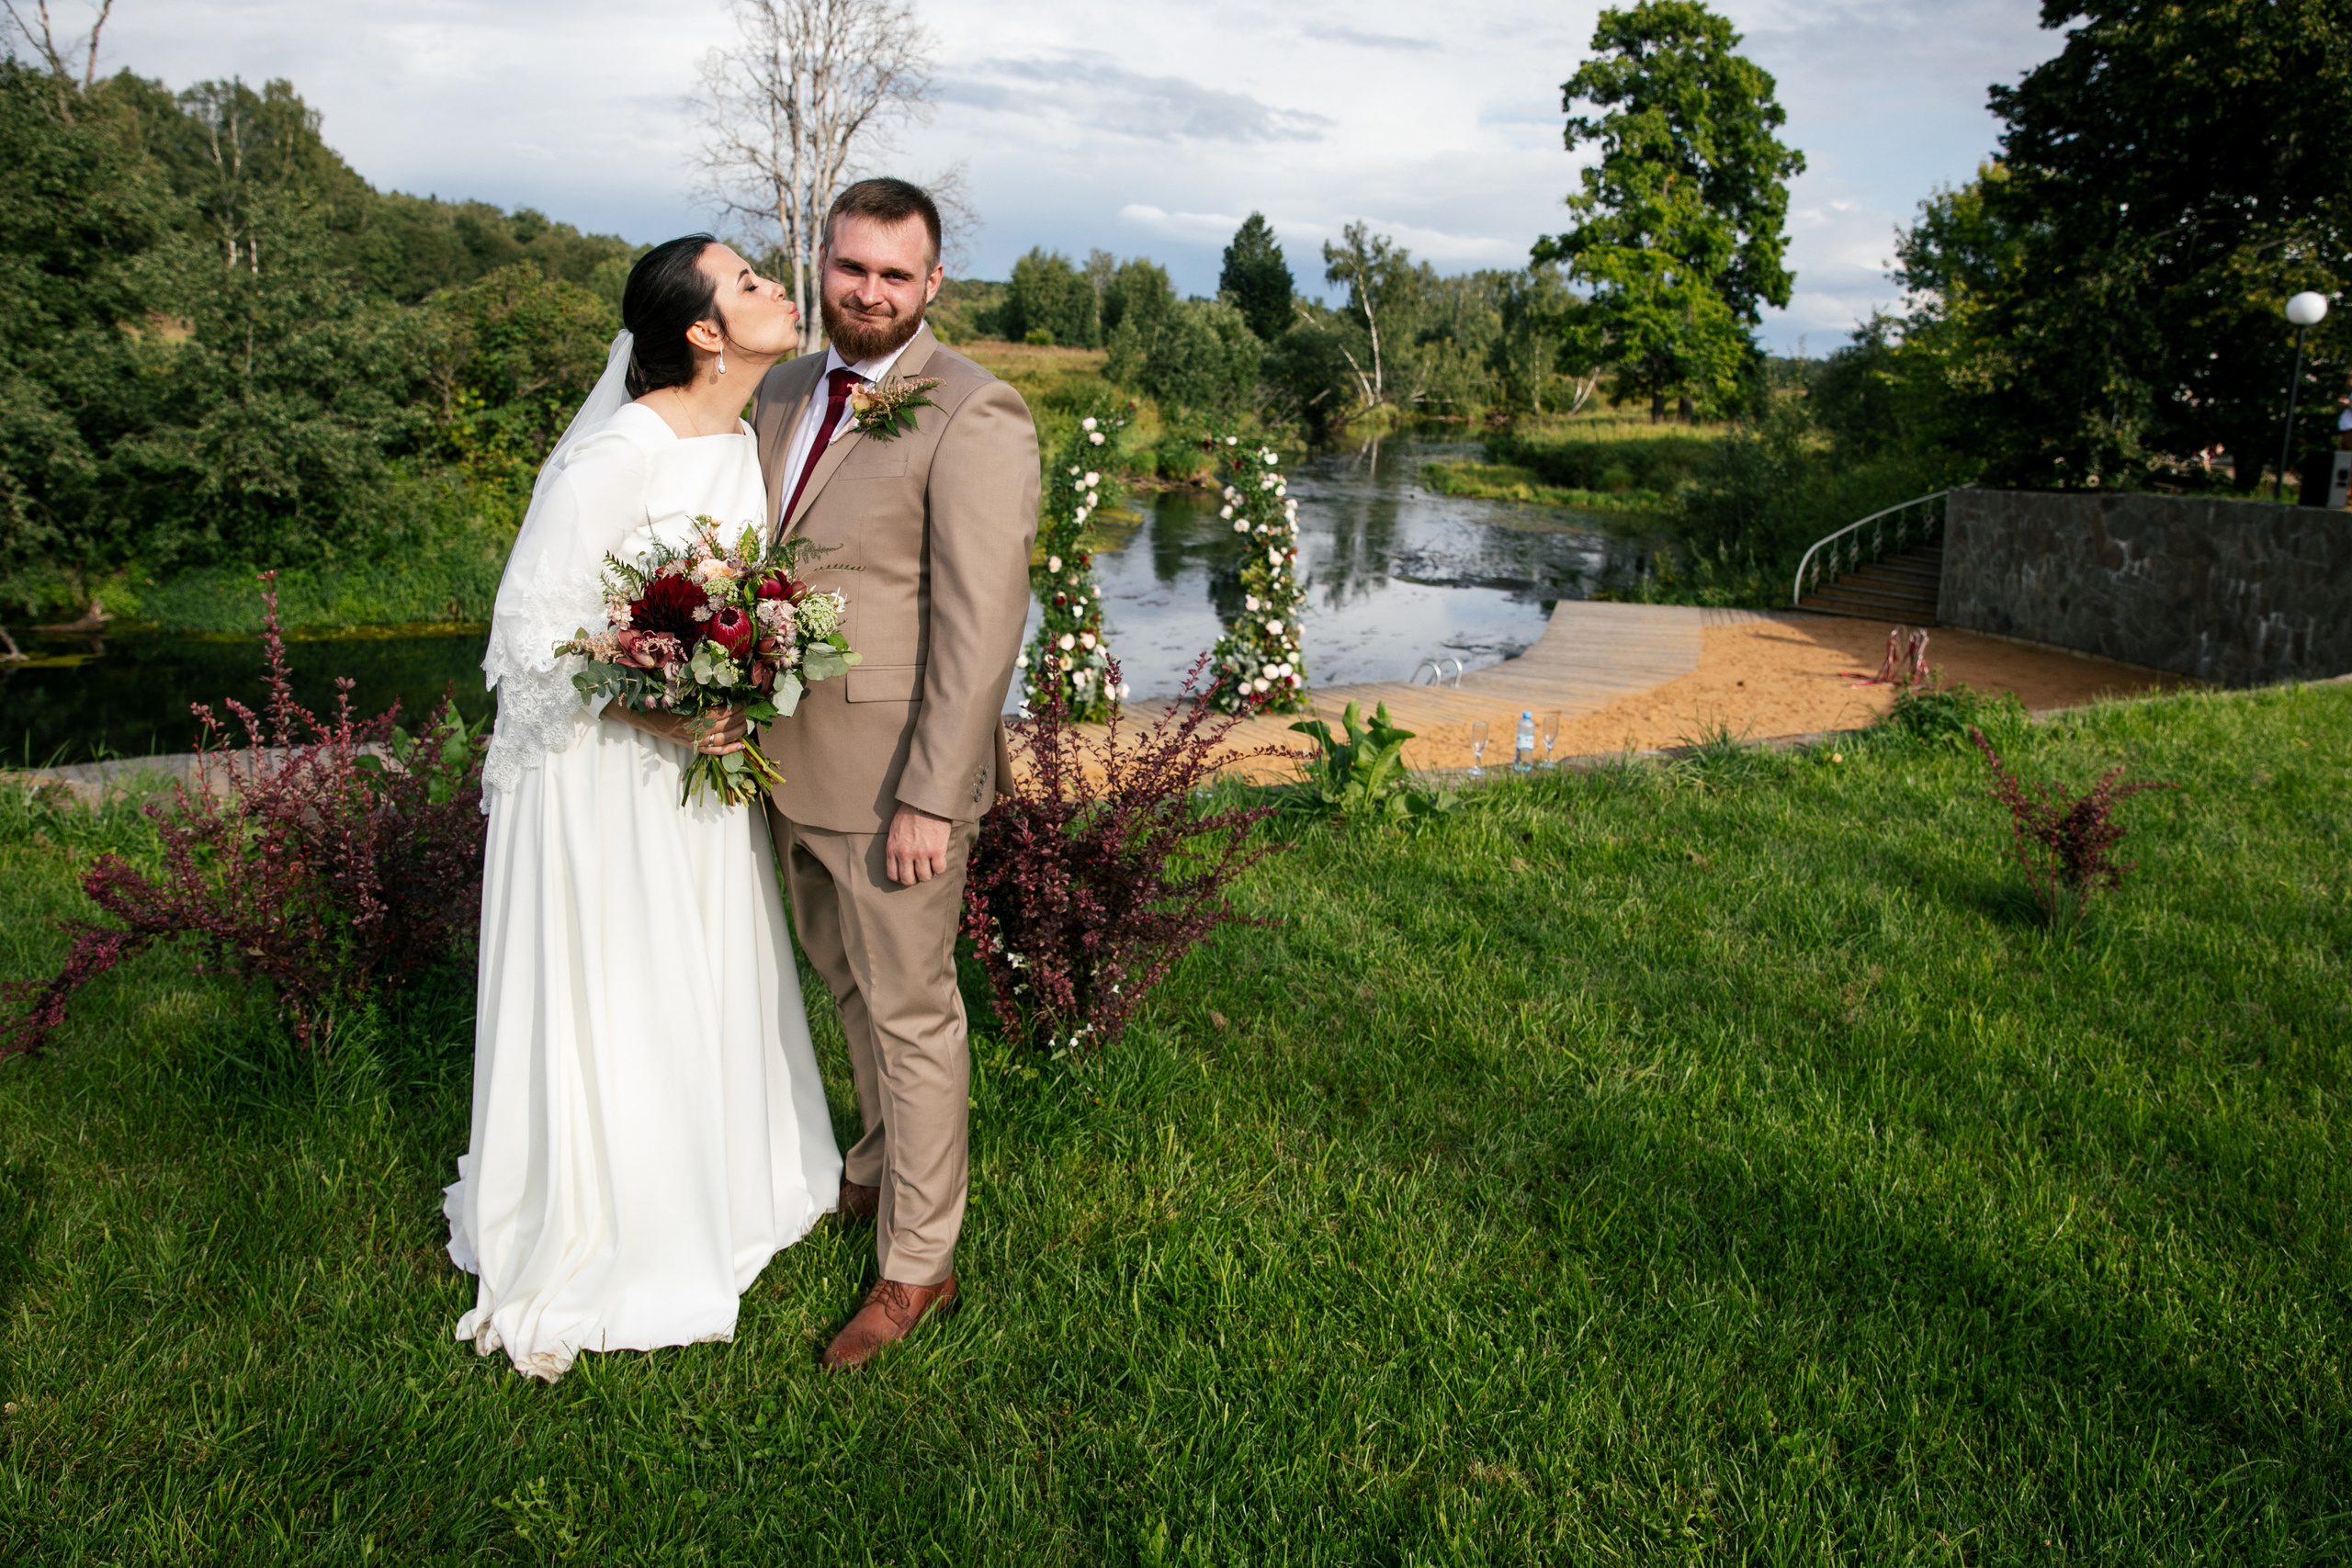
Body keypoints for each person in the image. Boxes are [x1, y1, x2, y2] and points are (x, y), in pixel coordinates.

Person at [446, 237, 843, 1381]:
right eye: (752, 282)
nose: (777, 289)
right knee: (623, 978)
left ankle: (716, 1182)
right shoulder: (617, 453)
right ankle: (607, 1218)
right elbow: (530, 639)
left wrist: (739, 673)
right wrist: (657, 712)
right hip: (600, 777)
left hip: (689, 762)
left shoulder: (734, 439)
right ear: (705, 332)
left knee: (700, 965)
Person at [752, 179, 1038, 1371]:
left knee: (913, 1010)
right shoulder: (779, 388)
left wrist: (933, 790)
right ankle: (874, 1166)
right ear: (823, 262)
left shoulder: (975, 412)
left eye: (894, 274)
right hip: (778, 757)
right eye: (851, 266)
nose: (868, 291)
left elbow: (982, 625)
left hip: (892, 781)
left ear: (932, 287)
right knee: (847, 984)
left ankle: (918, 1262)